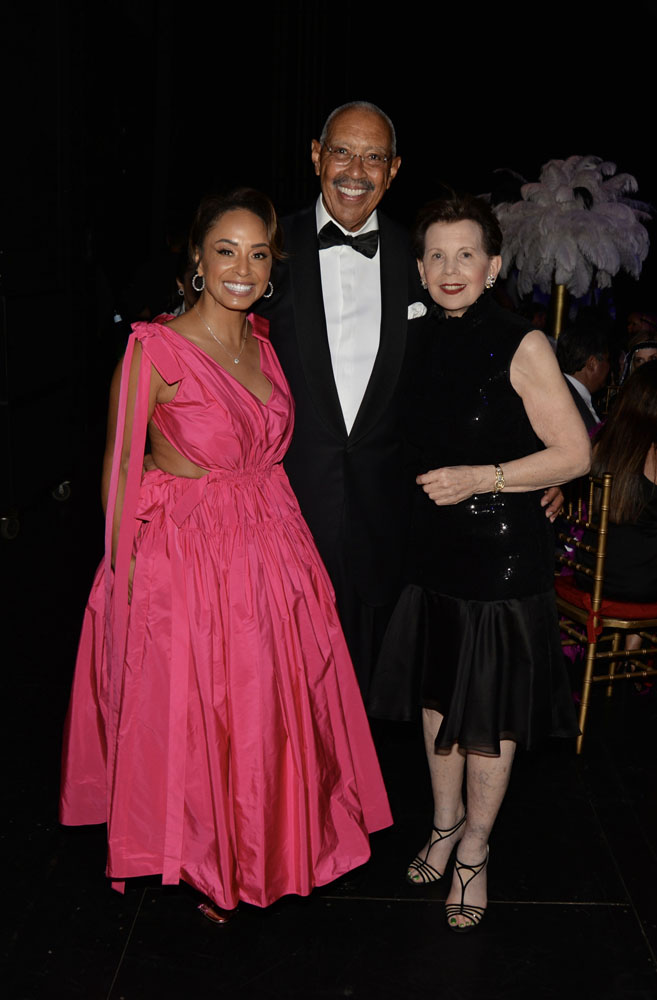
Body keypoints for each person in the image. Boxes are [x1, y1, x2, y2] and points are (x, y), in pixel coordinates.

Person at [59, 189, 392, 920]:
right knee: (200, 712)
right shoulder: (154, 346)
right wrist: (121, 579)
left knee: (268, 707)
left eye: (258, 252)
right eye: (226, 250)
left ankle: (266, 848)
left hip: (271, 544)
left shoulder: (264, 341)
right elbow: (118, 470)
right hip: (188, 556)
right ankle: (212, 862)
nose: (242, 267)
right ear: (198, 261)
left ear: (273, 265)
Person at [259, 101, 561, 699]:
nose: (355, 169)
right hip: (283, 505)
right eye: (342, 151)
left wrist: (533, 468)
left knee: (366, 695)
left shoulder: (418, 259)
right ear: (316, 156)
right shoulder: (269, 247)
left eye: (374, 157)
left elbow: (471, 367)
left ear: (393, 170)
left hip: (390, 516)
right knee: (278, 685)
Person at [374, 193, 590, 931]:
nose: (449, 267)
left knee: (487, 715)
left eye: (466, 253)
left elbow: (574, 453)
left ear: (493, 265)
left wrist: (484, 477)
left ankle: (473, 849)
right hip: (431, 552)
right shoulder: (415, 337)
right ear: (420, 268)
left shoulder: (521, 343)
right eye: (435, 254)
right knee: (438, 700)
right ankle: (440, 823)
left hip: (500, 558)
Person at [577, 360, 657, 603]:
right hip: (636, 583)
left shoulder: (604, 438)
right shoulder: (652, 452)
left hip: (590, 570)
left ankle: (632, 642)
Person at [556, 323, 610, 432]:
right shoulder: (567, 401)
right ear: (592, 363)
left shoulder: (568, 391)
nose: (609, 367)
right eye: (607, 360)